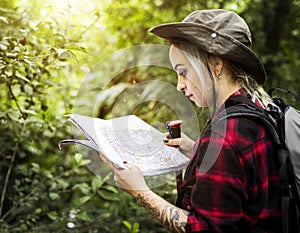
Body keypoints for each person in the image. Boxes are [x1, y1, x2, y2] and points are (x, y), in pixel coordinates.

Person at [100, 9, 282, 233]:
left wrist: (140, 192)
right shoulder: (259, 107)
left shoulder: (225, 134)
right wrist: (196, 150)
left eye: (183, 72)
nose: (180, 85)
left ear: (216, 65)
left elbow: (205, 229)